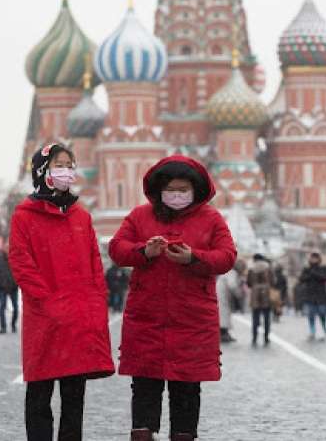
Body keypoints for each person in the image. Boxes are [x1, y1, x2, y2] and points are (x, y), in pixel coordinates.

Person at [108, 155, 237, 441]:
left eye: (183, 190)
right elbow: (117, 249)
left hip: (192, 319)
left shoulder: (211, 218)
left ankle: (183, 435)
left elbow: (227, 256)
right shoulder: (140, 216)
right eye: (171, 189)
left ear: (195, 190)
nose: (176, 195)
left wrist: (194, 257)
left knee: (187, 387)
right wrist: (144, 252)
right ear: (159, 190)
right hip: (147, 317)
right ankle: (142, 434)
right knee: (144, 384)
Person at [9, 143, 114, 441]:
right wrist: (48, 300)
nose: (67, 170)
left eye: (70, 164)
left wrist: (96, 300)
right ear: (43, 170)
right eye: (59, 164)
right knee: (40, 392)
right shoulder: (24, 216)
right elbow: (21, 262)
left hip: (78, 317)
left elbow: (95, 262)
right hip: (46, 317)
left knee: (74, 395)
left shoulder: (81, 216)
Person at [299, 253, 326, 340]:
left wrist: (315, 274)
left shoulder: (323, 268)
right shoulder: (307, 269)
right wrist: (310, 275)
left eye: (315, 258)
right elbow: (301, 279)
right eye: (312, 258)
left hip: (321, 295)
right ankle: (312, 331)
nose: (314, 260)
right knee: (311, 314)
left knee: (322, 313)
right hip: (310, 295)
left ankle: (324, 330)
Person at [0, 240, 19, 334]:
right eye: (6, 247)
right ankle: (3, 327)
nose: (8, 249)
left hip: (14, 287)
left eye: (9, 247)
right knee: (2, 308)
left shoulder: (16, 259)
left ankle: (13, 324)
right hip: (3, 287)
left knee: (15, 308)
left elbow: (21, 272)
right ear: (3, 249)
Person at [247, 254, 274, 346]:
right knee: (267, 318)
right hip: (266, 293)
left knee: (255, 318)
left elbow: (249, 283)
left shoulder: (251, 269)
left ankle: (254, 337)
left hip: (255, 295)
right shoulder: (268, 268)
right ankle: (266, 337)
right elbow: (273, 281)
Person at [216, 260, 243, 343]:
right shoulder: (232, 273)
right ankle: (223, 333)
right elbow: (232, 285)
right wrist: (239, 294)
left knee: (224, 312)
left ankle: (224, 332)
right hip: (222, 295)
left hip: (221, 293)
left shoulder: (228, 272)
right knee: (224, 313)